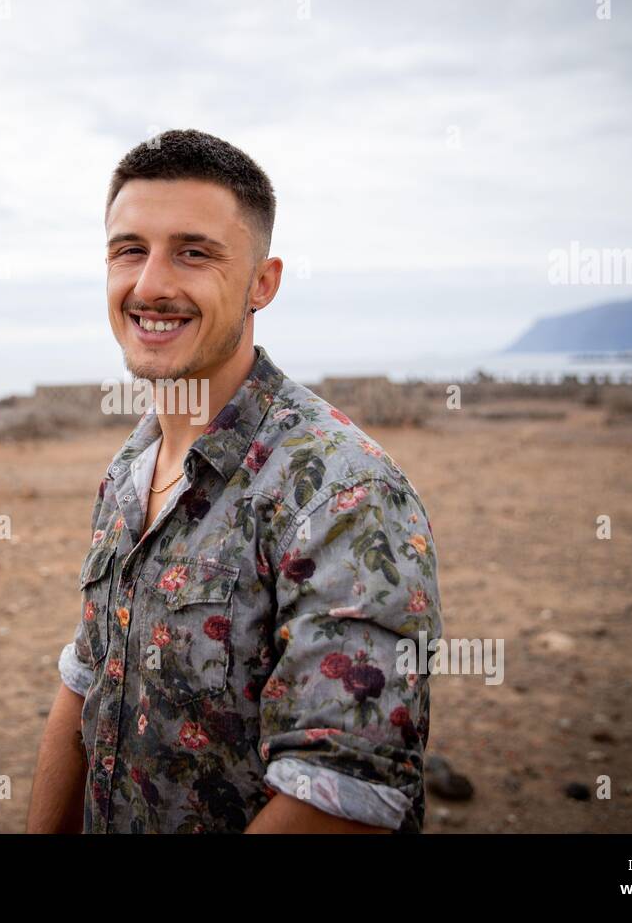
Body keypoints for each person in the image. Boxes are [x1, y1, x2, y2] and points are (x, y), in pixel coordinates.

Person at [26, 128, 442, 834]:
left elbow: (340, 794)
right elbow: (85, 683)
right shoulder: (132, 466)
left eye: (194, 252)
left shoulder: (342, 491)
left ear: (262, 283)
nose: (150, 285)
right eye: (130, 250)